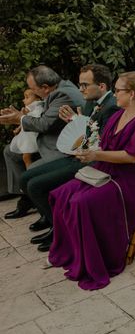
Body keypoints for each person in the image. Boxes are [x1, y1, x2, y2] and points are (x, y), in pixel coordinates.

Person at [48, 72, 135, 290]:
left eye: (118, 90)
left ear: (131, 94)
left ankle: (100, 258)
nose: (114, 94)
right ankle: (73, 253)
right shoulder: (117, 115)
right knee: (61, 194)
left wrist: (95, 155)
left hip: (129, 181)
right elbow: (104, 143)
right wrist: (90, 149)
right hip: (106, 170)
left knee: (81, 202)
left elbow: (132, 157)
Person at [19, 64, 119, 252]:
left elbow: (103, 144)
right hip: (78, 154)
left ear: (102, 86)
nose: (79, 89)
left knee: (36, 185)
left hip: (94, 162)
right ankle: (54, 224)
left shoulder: (112, 107)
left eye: (84, 85)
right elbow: (84, 132)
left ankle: (60, 231)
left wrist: (76, 120)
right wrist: (75, 121)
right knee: (25, 178)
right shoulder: (90, 101)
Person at [0, 65, 84, 219]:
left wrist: (19, 118)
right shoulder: (57, 89)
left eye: (33, 89)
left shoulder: (63, 94)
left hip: (58, 149)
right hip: (48, 140)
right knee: (10, 152)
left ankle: (47, 212)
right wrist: (20, 117)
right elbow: (43, 118)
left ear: (45, 87)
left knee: (30, 177)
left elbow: (45, 124)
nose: (32, 92)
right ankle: (28, 198)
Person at [9, 89, 44, 168]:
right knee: (26, 157)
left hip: (31, 137)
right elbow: (24, 121)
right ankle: (29, 171)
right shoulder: (29, 109)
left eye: (27, 97)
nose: (23, 100)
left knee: (26, 157)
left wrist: (25, 115)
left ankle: (30, 172)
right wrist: (18, 129)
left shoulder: (38, 107)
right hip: (27, 135)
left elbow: (33, 120)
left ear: (37, 98)